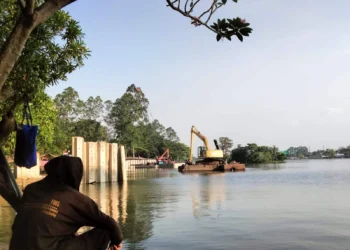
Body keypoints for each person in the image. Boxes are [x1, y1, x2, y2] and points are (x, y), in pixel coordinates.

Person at [8, 155, 123, 250]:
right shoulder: (76, 199)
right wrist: (116, 241)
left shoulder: (30, 189)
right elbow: (112, 225)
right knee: (106, 229)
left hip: (16, 246)